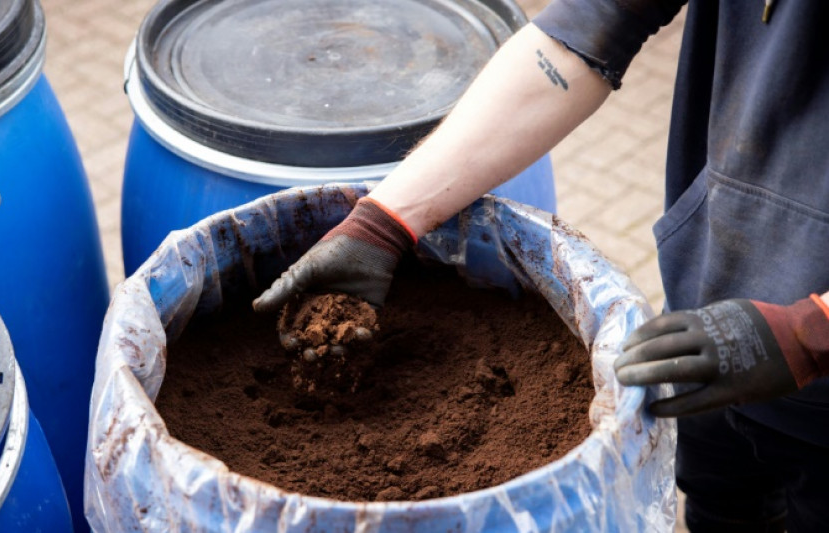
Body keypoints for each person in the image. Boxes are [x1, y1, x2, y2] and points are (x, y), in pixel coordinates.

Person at [253, 2, 829, 531]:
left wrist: (812, 331)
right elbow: (584, 33)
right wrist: (383, 223)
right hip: (712, 334)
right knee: (719, 506)